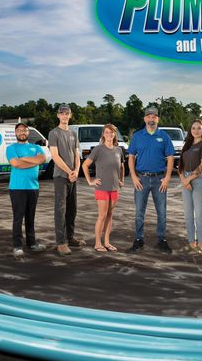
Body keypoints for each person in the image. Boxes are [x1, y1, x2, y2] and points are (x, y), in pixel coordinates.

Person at [127, 107, 175, 254]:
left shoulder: (164, 136)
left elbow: (171, 157)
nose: (151, 119)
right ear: (145, 119)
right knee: (139, 212)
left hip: (159, 179)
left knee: (161, 212)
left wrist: (167, 177)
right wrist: (134, 177)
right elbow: (131, 157)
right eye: (149, 116)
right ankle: (138, 239)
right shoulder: (137, 136)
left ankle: (161, 239)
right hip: (141, 179)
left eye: (154, 116)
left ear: (157, 119)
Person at [6, 122, 47, 259]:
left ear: (28, 132)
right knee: (18, 217)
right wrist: (32, 161)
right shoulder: (11, 148)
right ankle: (17, 246)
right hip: (17, 188)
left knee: (31, 217)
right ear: (15, 133)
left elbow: (42, 159)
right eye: (19, 130)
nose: (22, 132)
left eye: (24, 130)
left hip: (33, 187)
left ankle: (32, 243)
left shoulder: (36, 147)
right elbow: (15, 163)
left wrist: (24, 159)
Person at [48, 104, 85, 256]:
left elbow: (77, 154)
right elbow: (55, 156)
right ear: (58, 115)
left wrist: (76, 170)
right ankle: (61, 242)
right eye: (62, 113)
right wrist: (69, 171)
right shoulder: (53, 133)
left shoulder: (73, 134)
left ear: (70, 115)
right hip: (61, 177)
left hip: (72, 177)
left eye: (67, 113)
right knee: (60, 209)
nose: (64, 116)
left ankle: (70, 238)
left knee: (72, 209)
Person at [82, 124, 124, 252]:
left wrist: (121, 180)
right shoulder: (98, 149)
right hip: (102, 188)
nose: (109, 135)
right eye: (107, 132)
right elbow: (85, 165)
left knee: (110, 215)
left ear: (115, 134)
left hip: (115, 188)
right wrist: (90, 181)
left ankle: (106, 242)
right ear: (103, 134)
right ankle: (97, 243)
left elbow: (122, 166)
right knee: (102, 215)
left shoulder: (119, 150)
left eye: (111, 132)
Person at [178, 119, 202, 255]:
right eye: (194, 128)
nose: (196, 130)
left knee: (199, 215)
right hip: (186, 179)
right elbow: (180, 165)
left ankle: (201, 245)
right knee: (188, 215)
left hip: (199, 181)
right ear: (190, 130)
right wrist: (183, 180)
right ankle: (191, 243)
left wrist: (189, 179)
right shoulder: (187, 144)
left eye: (199, 128)